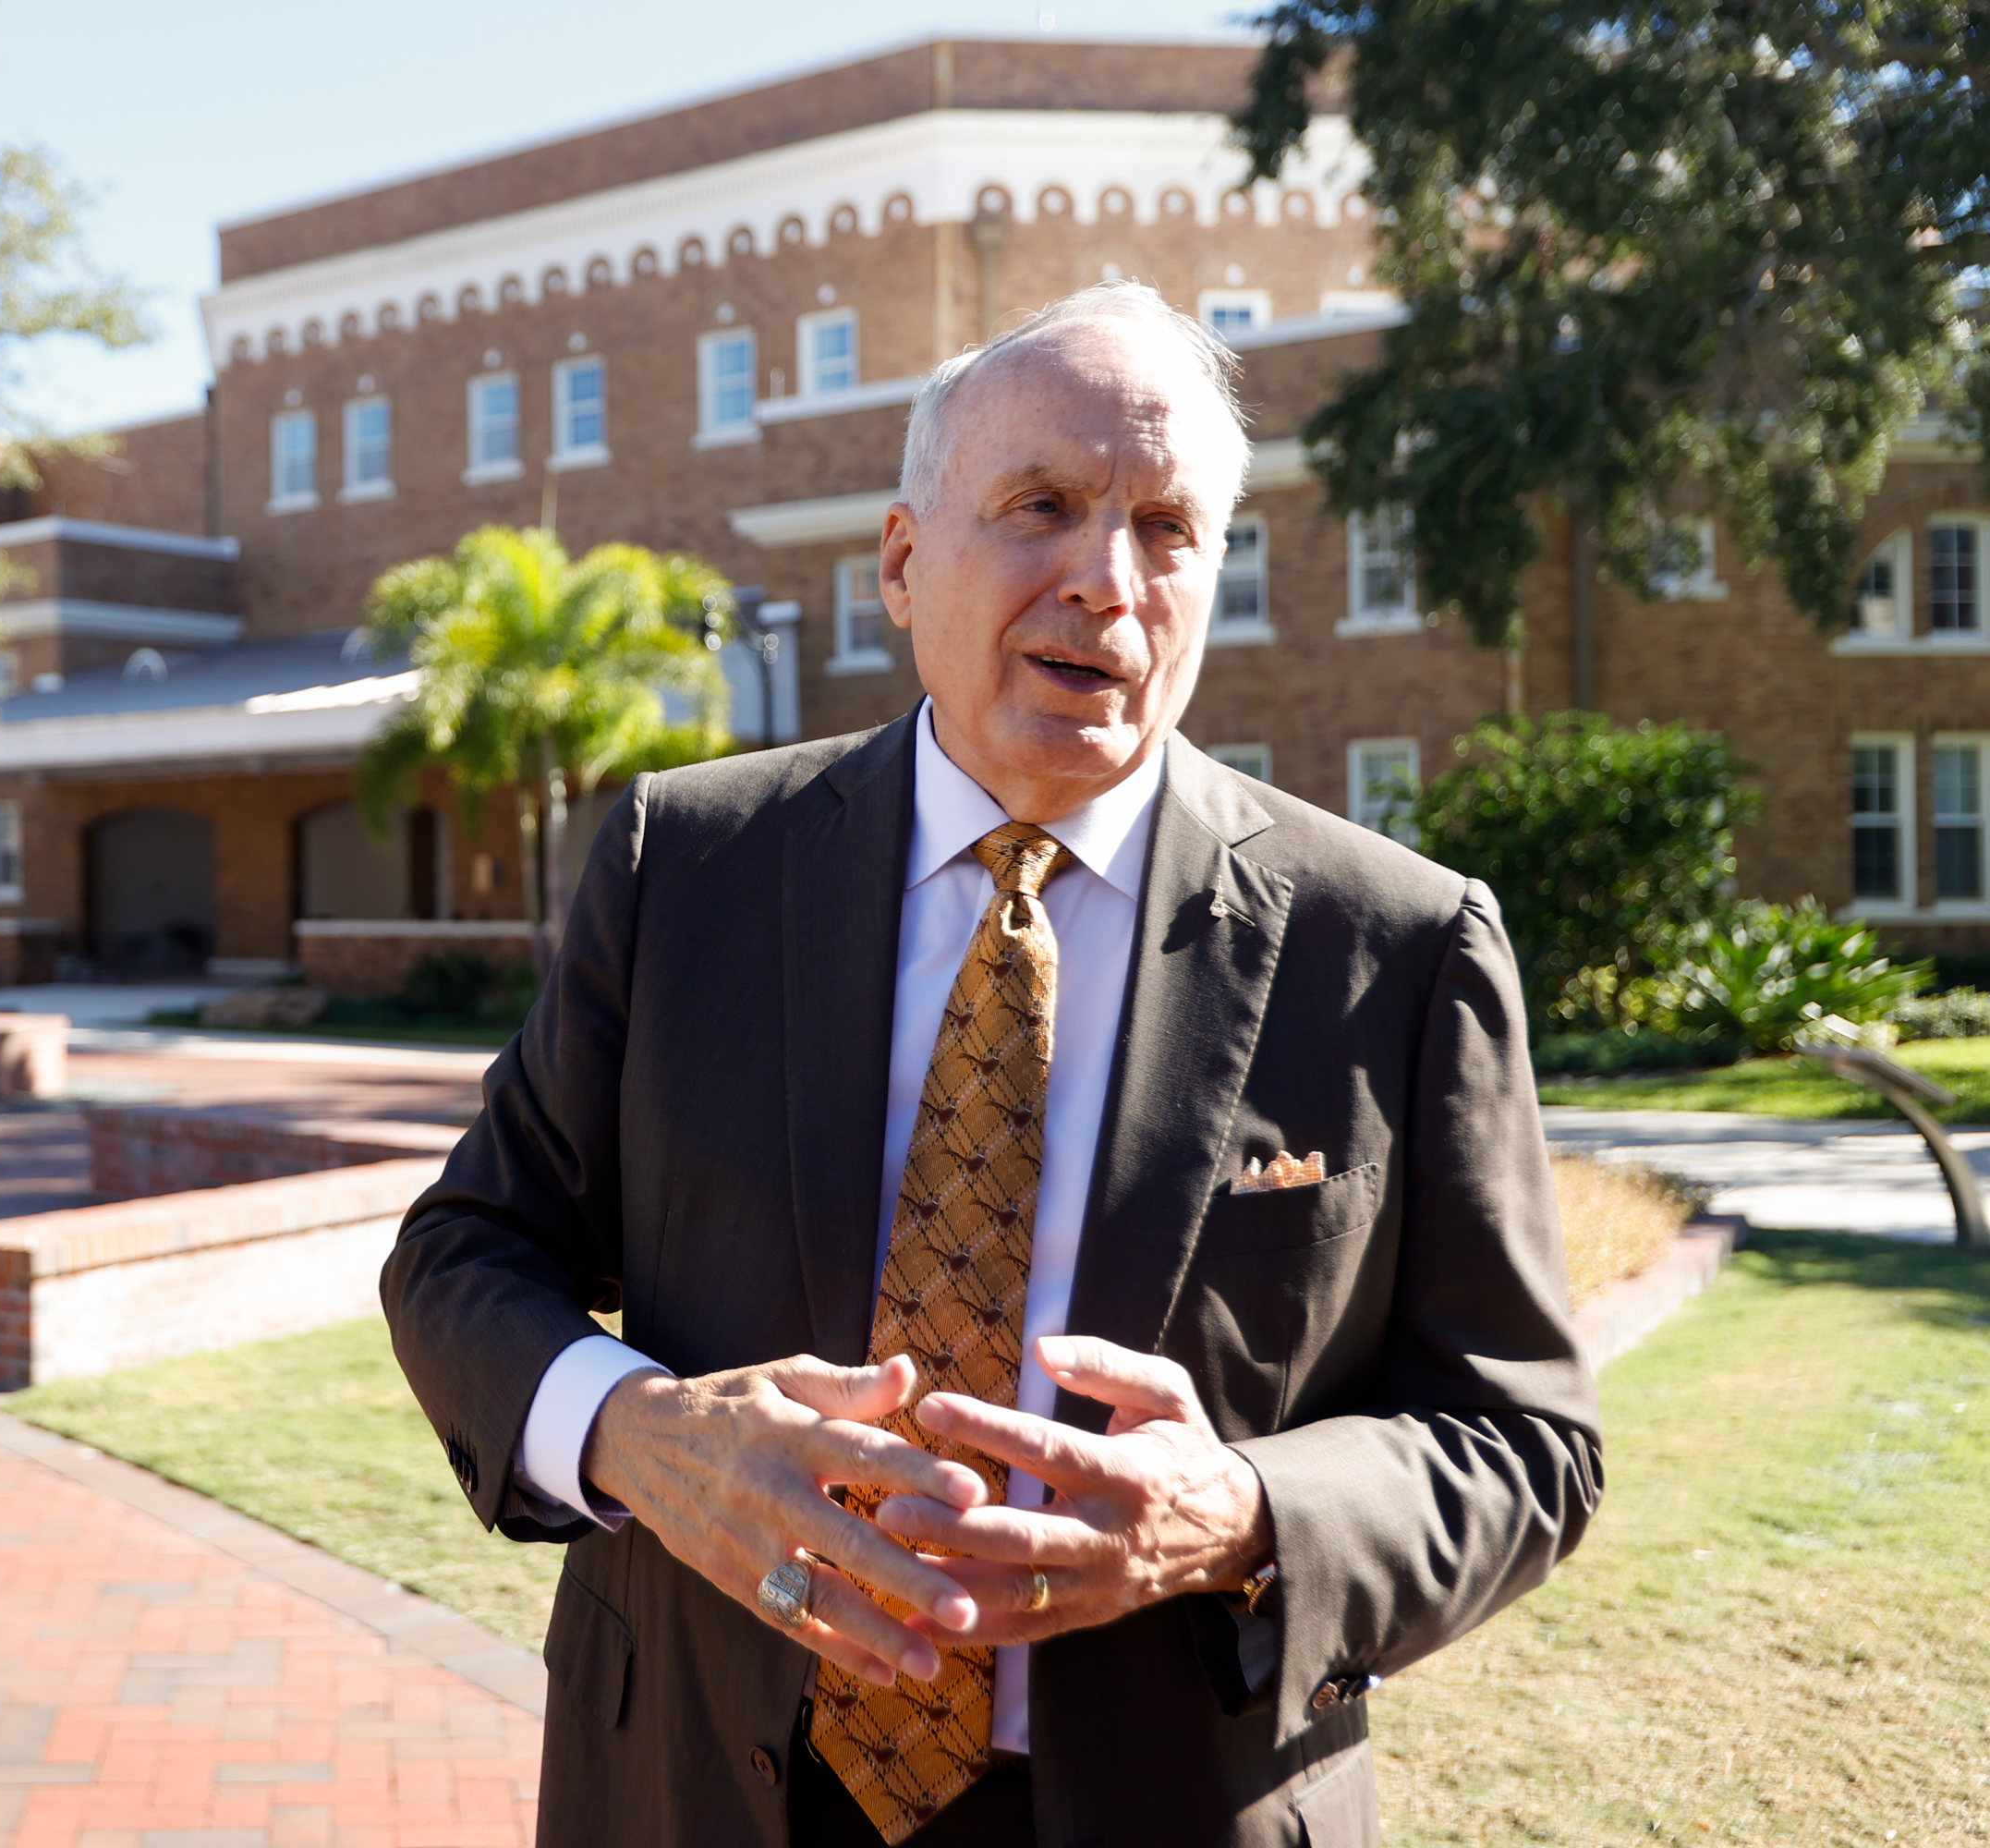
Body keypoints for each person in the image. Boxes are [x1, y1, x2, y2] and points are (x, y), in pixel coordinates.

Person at [381, 282, 1600, 1847]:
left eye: (1170, 532)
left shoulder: (1399, 944)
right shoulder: (684, 863)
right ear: (902, 560)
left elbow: (1526, 1445)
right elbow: (466, 1253)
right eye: (1041, 507)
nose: (1110, 584)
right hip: (703, 1785)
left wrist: (1235, 1517)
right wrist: (640, 1436)